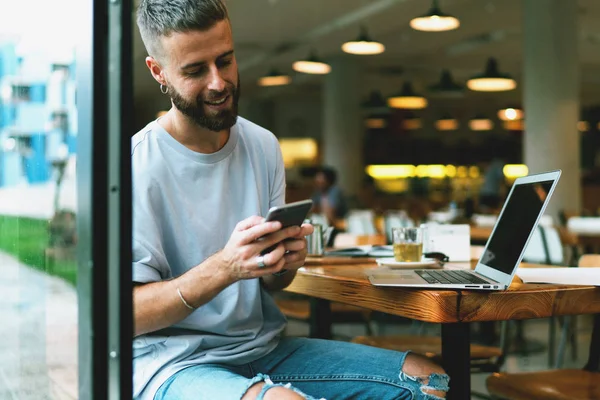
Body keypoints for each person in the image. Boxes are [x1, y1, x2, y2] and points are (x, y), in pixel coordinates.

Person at [132, 1, 449, 399]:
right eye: (195, 70)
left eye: (225, 61)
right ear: (158, 72)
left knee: (429, 383)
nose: (218, 82)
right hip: (172, 364)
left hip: (264, 350)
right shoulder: (135, 166)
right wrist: (225, 267)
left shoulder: (262, 145)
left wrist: (282, 265)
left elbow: (273, 286)